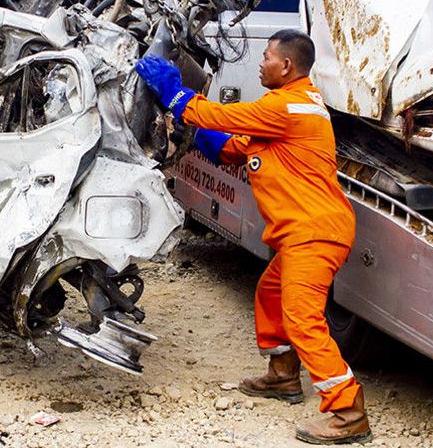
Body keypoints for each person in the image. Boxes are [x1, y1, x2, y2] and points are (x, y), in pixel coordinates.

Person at [136, 29, 370, 445]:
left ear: (286, 66)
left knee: (302, 317)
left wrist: (174, 90)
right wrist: (192, 124)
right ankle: (282, 376)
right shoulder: (288, 110)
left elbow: (218, 117)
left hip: (314, 232)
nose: (259, 64)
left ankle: (347, 410)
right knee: (271, 293)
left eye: (265, 57)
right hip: (307, 230)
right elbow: (231, 147)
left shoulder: (287, 106)